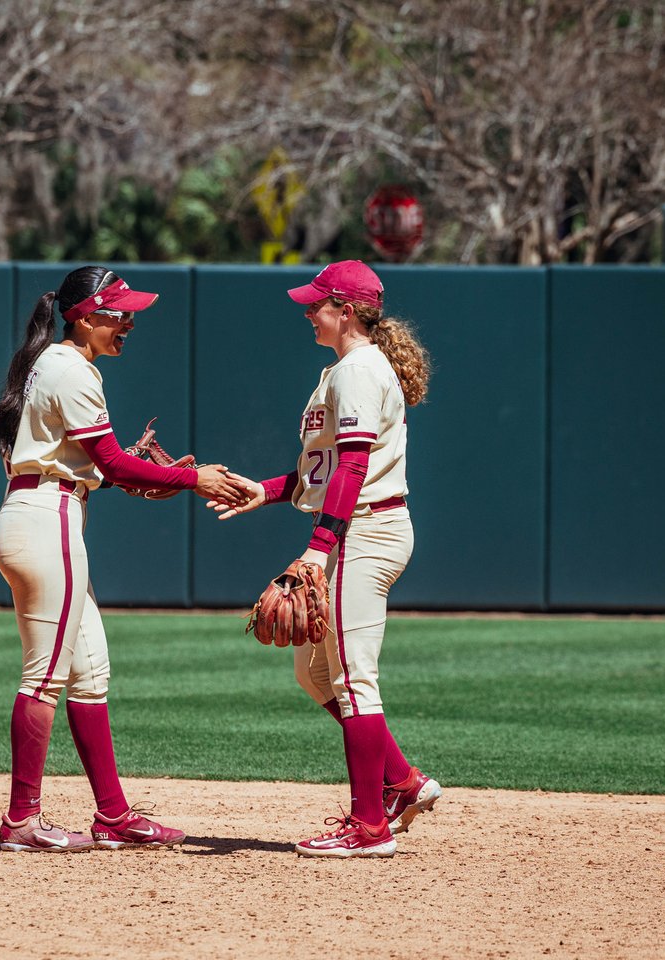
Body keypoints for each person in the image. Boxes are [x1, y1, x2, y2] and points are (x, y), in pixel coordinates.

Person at [0, 265, 248, 852]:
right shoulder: (71, 369)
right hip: (46, 520)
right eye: (117, 311)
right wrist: (192, 479)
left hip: (46, 511)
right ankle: (21, 821)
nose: (128, 321)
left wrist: (123, 474)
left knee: (90, 669)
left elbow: (96, 466)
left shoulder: (50, 363)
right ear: (83, 315)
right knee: (45, 675)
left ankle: (113, 815)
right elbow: (111, 461)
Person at [210, 260, 441, 858]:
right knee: (314, 675)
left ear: (346, 311)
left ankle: (370, 827)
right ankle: (403, 782)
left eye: (317, 304)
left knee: (354, 679)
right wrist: (265, 490)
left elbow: (357, 468)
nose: (307, 311)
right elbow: (328, 470)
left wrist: (319, 547)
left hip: (365, 531)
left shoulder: (360, 369)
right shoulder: (343, 370)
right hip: (353, 526)